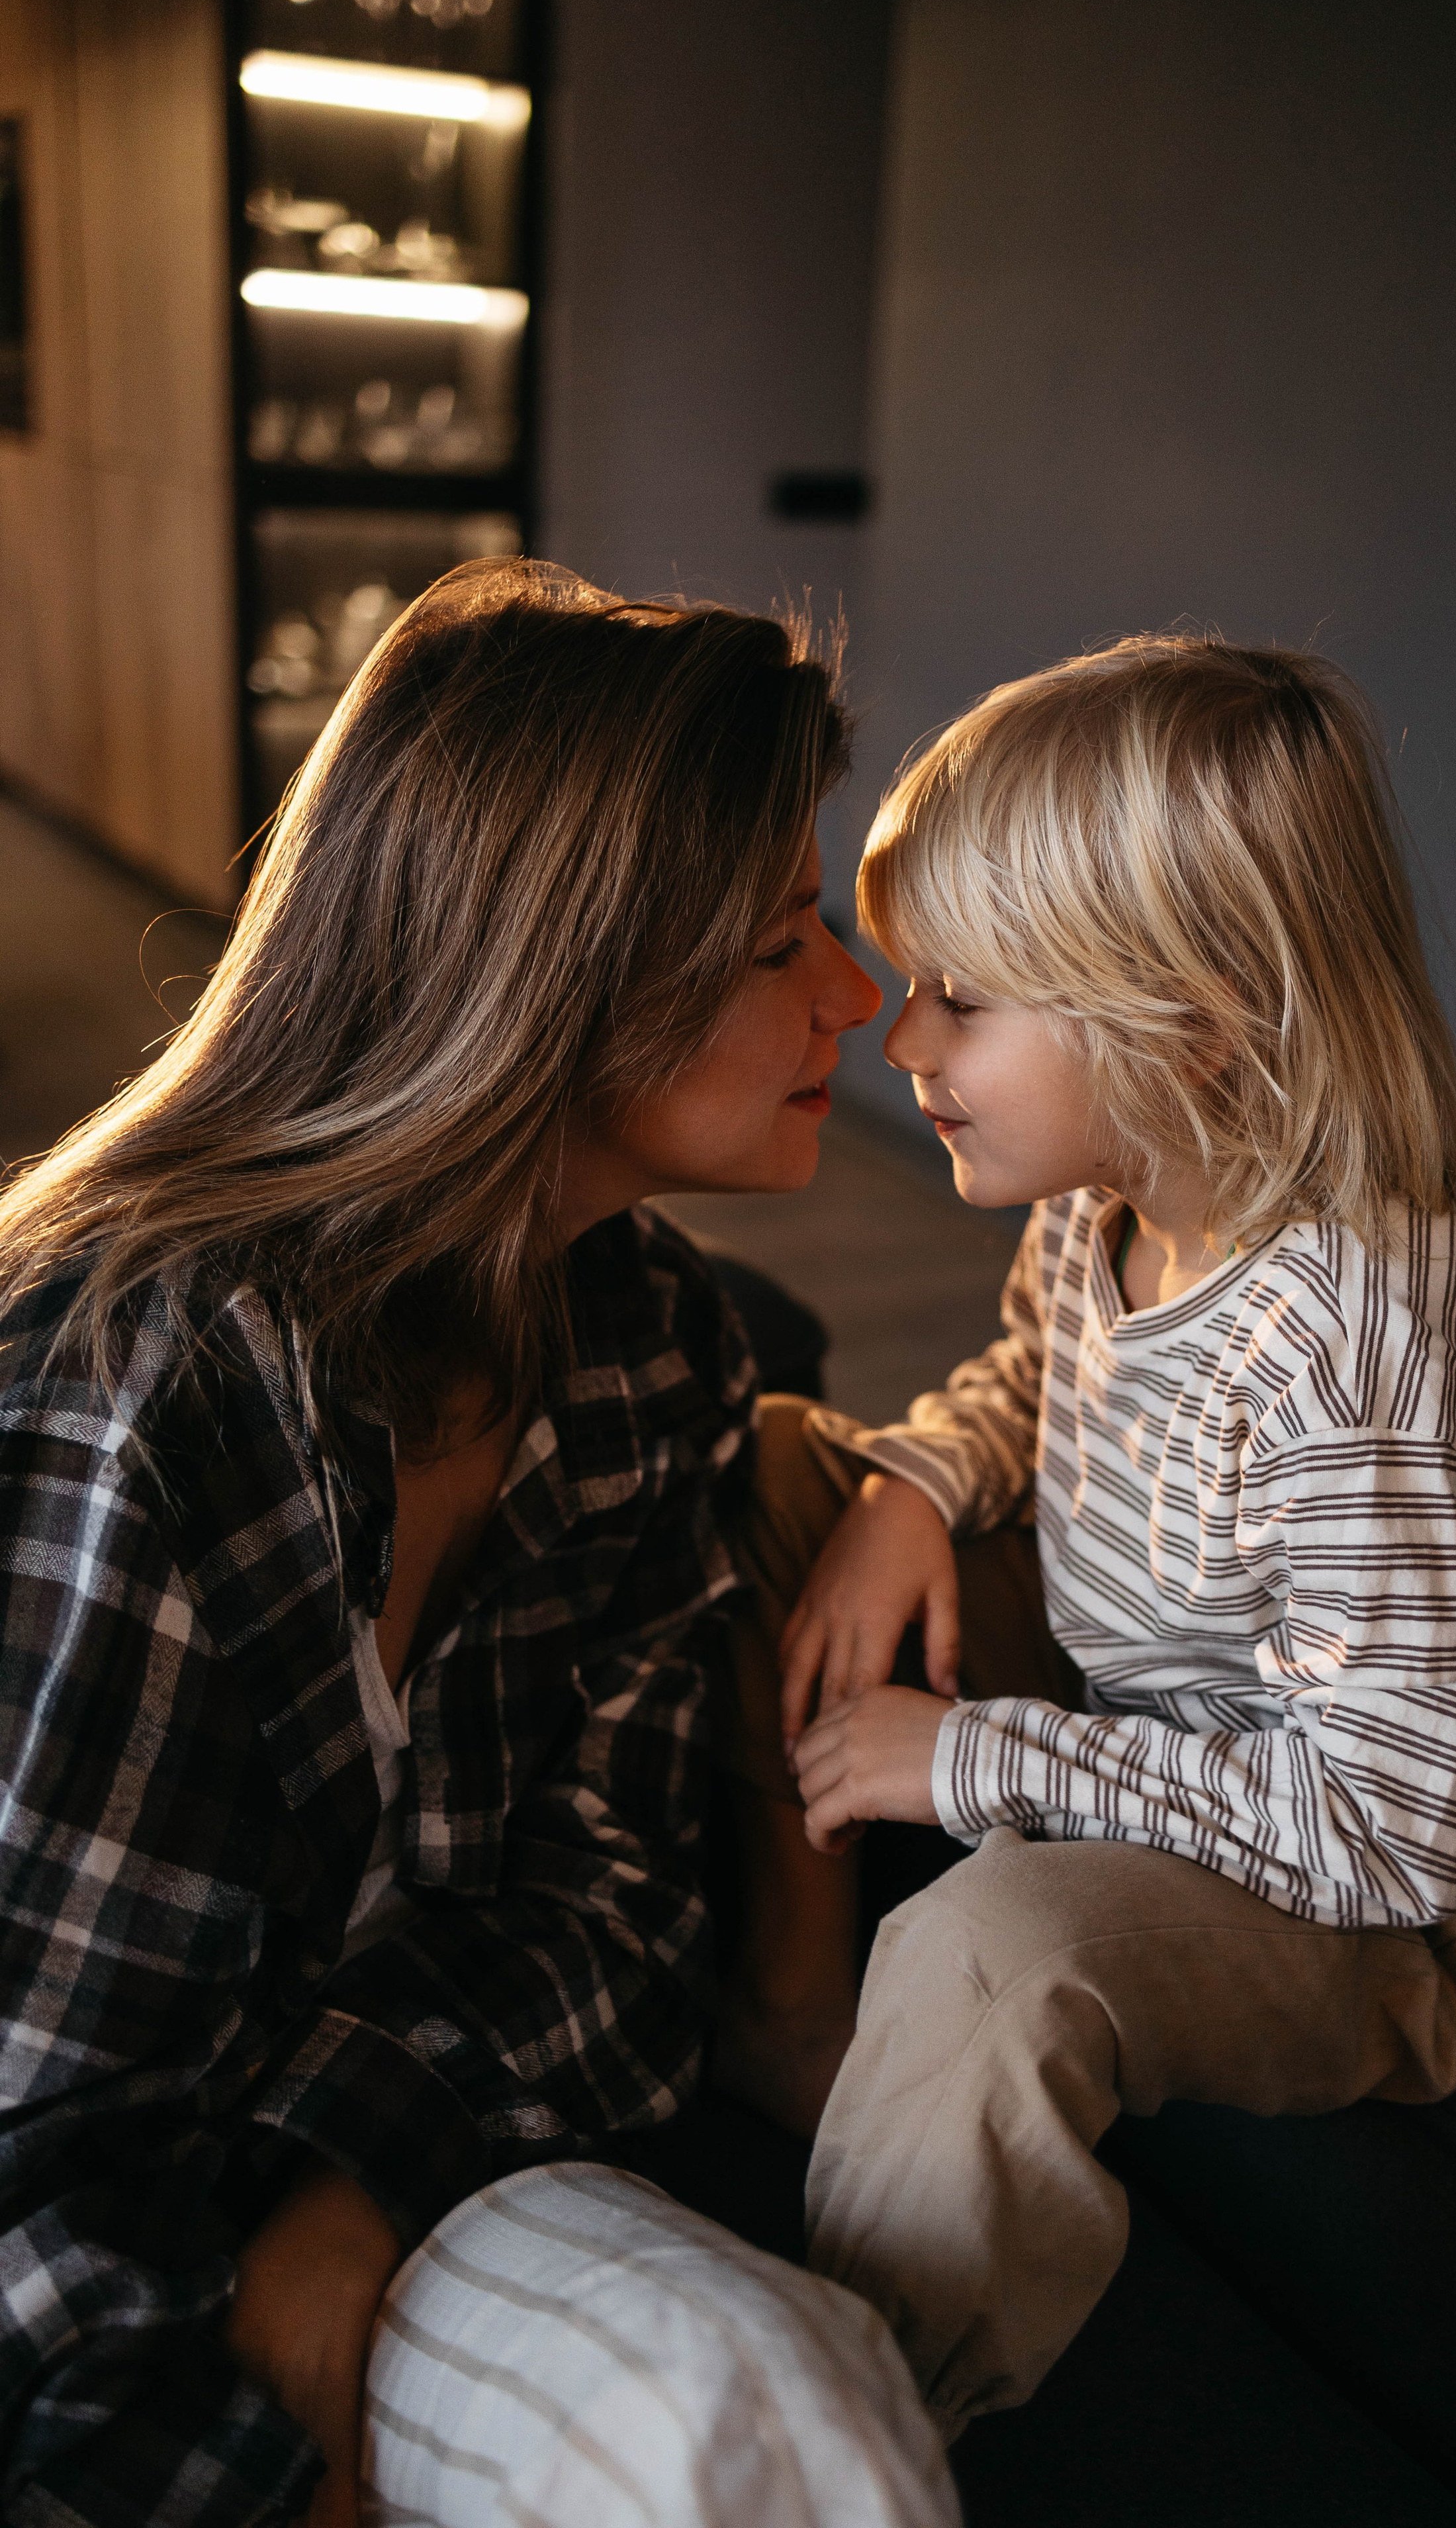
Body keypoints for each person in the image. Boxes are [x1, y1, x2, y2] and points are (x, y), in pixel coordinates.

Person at [0, 560, 960, 2528]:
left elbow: (610, 1934)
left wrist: (343, 2196)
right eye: (792, 941)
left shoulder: (654, 1343)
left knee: (773, 2418)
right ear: (569, 973)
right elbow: (36, 2130)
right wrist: (265, 2394)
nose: (858, 999)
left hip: (412, 2152)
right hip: (74, 2269)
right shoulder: (138, 1385)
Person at [727, 635, 1456, 2439]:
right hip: (1172, 1715)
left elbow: (1378, 1833)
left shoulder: (1364, 1371)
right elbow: (1030, 1381)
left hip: (1381, 1893)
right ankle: (795, 2030)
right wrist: (913, 1486)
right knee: (771, 1462)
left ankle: (861, 2427)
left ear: (1190, 1022)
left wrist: (979, 1759)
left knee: (982, 1955)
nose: (901, 1042)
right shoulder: (1112, 1203)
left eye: (962, 1002)